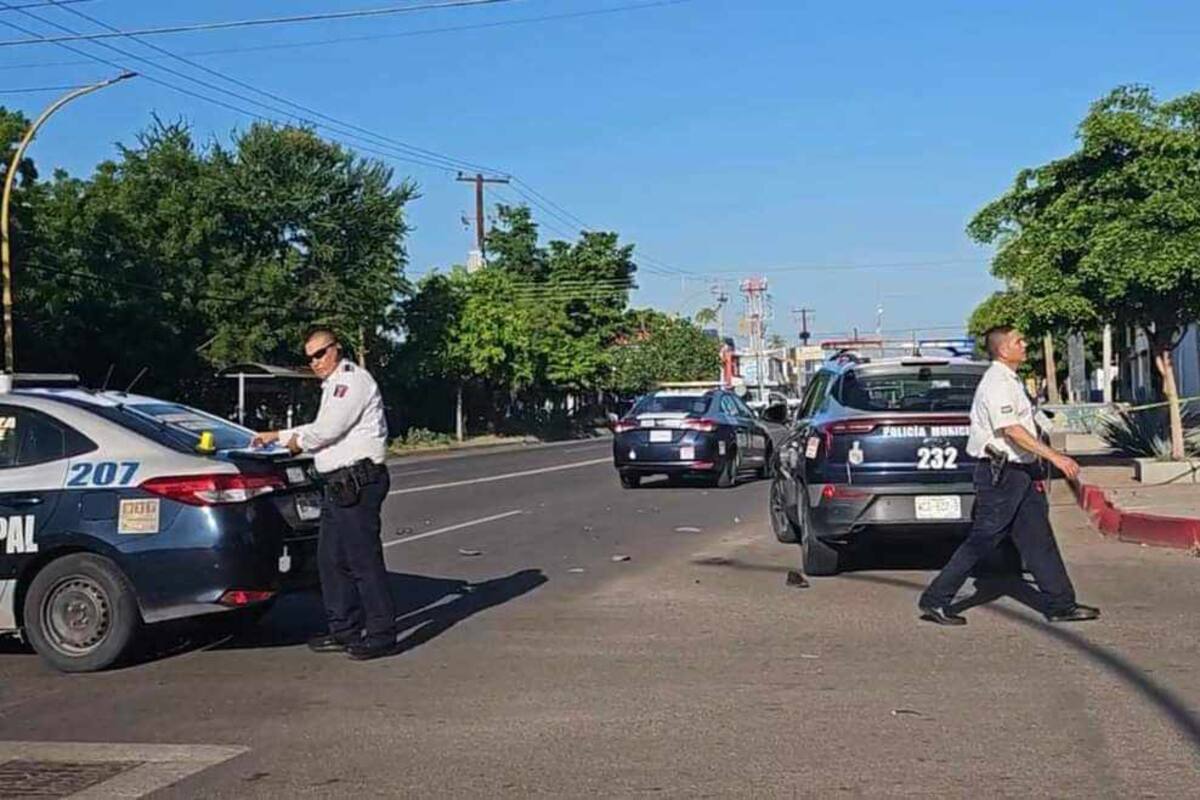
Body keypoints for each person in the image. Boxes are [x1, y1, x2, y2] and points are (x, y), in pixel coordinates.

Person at [917, 326, 1100, 626]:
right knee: (983, 540)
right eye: (1018, 341)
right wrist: (1054, 457)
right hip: (1000, 474)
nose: (1024, 344)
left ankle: (1060, 604)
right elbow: (1011, 429)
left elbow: (1030, 421)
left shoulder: (1011, 381)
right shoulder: (996, 383)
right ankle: (936, 600)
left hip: (1021, 472)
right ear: (1003, 350)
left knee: (1038, 539)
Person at [251, 329, 397, 660]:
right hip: (338, 485)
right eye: (310, 357)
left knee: (363, 561)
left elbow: (327, 430)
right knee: (330, 560)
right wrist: (276, 435)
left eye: (321, 353)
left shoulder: (351, 381)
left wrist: (293, 442)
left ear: (336, 349)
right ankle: (343, 629)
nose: (315, 362)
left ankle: (382, 633)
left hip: (358, 481)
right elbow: (319, 426)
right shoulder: (332, 387)